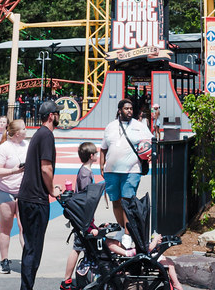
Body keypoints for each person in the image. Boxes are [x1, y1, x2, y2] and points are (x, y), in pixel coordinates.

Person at [17, 99, 62, 290]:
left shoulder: (38, 134)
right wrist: (52, 190)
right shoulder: (47, 136)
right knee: (34, 250)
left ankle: (26, 286)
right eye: (57, 113)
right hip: (36, 199)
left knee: (30, 248)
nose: (60, 116)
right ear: (51, 116)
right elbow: (45, 167)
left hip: (27, 197)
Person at [99, 98, 152, 228]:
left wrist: (150, 154)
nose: (129, 111)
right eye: (126, 108)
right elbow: (103, 148)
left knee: (127, 202)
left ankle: (128, 235)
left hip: (131, 171)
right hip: (111, 171)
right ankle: (123, 230)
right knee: (115, 202)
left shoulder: (139, 126)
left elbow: (151, 143)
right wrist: (101, 165)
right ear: (119, 110)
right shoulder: (110, 126)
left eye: (131, 109)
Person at [0, 117, 29, 275]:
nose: (26, 131)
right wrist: (14, 170)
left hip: (22, 191)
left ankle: (27, 259)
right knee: (6, 227)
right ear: (15, 133)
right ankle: (4, 260)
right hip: (5, 190)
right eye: (23, 129)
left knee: (23, 227)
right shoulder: (4, 148)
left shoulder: (27, 145)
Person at [60, 140, 99, 290]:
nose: (97, 155)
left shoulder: (86, 171)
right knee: (77, 248)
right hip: (82, 218)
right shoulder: (85, 174)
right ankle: (66, 280)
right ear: (91, 156)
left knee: (81, 247)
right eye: (95, 153)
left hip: (85, 217)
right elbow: (85, 197)